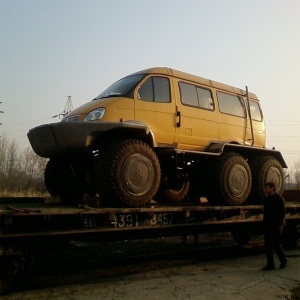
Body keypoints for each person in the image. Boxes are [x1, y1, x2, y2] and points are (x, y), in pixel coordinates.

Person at [262, 181, 287, 271]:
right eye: (265, 187)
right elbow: (265, 214)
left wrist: (280, 224)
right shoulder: (266, 200)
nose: (266, 189)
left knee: (277, 244)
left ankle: (283, 260)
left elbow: (282, 212)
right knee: (268, 246)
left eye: (267, 187)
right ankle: (270, 264)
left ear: (273, 188)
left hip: (276, 225)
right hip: (268, 226)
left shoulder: (279, 199)